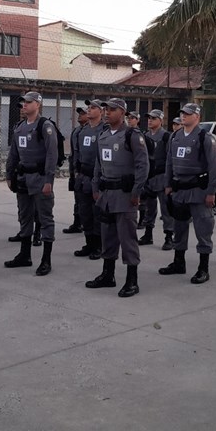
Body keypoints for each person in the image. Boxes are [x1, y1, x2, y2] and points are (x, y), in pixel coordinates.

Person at [86, 97, 149, 298]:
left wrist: (136, 191)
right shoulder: (103, 135)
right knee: (108, 236)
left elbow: (142, 165)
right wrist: (96, 186)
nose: (107, 112)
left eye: (112, 109)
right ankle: (108, 274)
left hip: (125, 195)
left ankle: (132, 280)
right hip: (106, 194)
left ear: (122, 113)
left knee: (127, 237)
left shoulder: (132, 135)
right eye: (106, 109)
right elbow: (98, 164)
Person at [160, 103, 216, 284]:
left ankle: (204, 268)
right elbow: (169, 163)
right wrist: (168, 184)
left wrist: (211, 192)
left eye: (188, 114)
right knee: (179, 228)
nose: (183, 116)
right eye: (182, 113)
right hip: (179, 191)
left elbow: (214, 167)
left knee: (203, 228)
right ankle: (179, 262)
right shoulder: (175, 136)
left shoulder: (205, 138)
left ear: (197, 117)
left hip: (198, 191)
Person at [4, 91, 58, 276]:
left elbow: (52, 154)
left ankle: (46, 259)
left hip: (40, 178)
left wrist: (49, 180)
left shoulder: (45, 126)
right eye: (22, 102)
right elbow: (13, 153)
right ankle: (24, 255)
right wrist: (9, 174)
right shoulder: (19, 127)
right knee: (24, 215)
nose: (24, 105)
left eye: (28, 102)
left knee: (45, 218)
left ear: (38, 104)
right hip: (22, 178)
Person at [72, 99, 106, 259]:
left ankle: (99, 246)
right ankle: (89, 243)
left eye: (93, 108)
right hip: (83, 177)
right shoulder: (83, 131)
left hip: (97, 177)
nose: (89, 110)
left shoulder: (104, 130)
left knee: (97, 213)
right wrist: (76, 172)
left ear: (101, 111)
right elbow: (77, 153)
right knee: (84, 212)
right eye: (89, 107)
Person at [138, 109, 174, 249]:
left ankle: (169, 236)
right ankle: (148, 234)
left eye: (153, 118)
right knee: (149, 208)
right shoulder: (145, 136)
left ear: (160, 120)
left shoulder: (166, 136)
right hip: (148, 177)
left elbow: (170, 159)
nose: (150, 120)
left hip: (162, 176)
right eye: (149, 118)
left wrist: (169, 180)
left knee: (166, 209)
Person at [63, 107, 89, 234]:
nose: (80, 115)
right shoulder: (76, 131)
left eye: (83, 113)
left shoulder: (92, 131)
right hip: (76, 169)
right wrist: (72, 170)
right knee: (77, 197)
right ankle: (77, 223)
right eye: (79, 113)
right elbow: (74, 152)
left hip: (86, 171)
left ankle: (87, 224)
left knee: (86, 200)